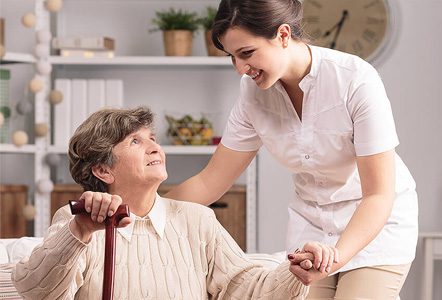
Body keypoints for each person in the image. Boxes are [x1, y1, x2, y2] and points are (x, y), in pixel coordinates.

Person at [165, 0, 419, 299]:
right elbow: (211, 181)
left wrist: (335, 255)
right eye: (231, 57)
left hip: (375, 226)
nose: (240, 69)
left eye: (246, 53)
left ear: (283, 35)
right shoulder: (252, 96)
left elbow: (377, 195)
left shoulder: (354, 79)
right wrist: (135, 208)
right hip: (312, 228)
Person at [12, 106, 315, 299]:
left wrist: (294, 274)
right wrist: (79, 231)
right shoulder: (77, 221)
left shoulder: (197, 220)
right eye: (135, 141)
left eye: (153, 138)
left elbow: (245, 287)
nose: (154, 147)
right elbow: (37, 290)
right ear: (103, 170)